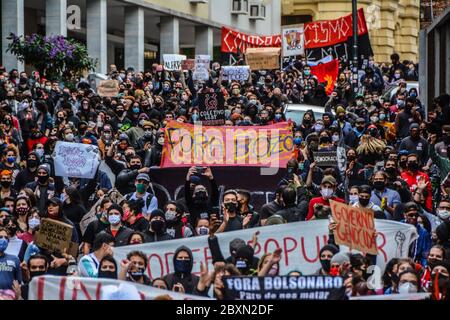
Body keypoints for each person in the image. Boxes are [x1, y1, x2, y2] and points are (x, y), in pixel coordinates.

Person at [402, 202, 432, 266]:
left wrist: (423, 267)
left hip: (415, 264)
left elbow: (425, 255)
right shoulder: (398, 227)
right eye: (411, 215)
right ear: (405, 215)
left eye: (416, 215)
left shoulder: (424, 233)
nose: (414, 217)